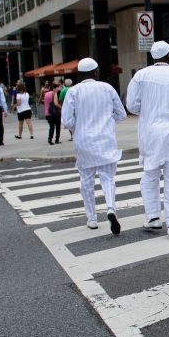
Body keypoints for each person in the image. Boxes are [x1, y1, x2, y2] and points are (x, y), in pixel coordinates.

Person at [127, 41, 169, 238]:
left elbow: (131, 105)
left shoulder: (141, 76)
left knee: (150, 175)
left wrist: (147, 110)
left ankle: (153, 217)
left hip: (151, 131)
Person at [61, 58, 127, 234]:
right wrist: (107, 121)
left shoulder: (73, 92)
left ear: (79, 74)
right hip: (106, 140)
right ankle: (111, 208)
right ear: (96, 72)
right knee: (107, 178)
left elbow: (67, 120)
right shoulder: (107, 88)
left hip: (84, 142)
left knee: (87, 180)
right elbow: (121, 114)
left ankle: (91, 218)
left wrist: (79, 126)